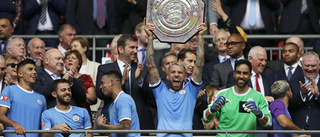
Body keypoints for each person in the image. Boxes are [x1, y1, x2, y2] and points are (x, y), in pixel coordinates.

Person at [144, 20, 206, 136]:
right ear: (167, 75)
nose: (176, 75)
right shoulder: (160, 90)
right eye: (173, 72)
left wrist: (201, 36)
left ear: (184, 76)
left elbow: (199, 64)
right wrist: (150, 37)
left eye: (179, 73)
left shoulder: (191, 91)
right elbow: (151, 65)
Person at [95, 34, 155, 131]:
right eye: (132, 47)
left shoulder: (142, 69)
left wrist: (140, 81)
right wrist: (121, 83)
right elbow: (100, 93)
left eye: (136, 48)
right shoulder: (105, 69)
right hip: (113, 120)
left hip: (140, 121)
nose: (135, 51)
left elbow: (152, 97)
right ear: (121, 49)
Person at [203, 60, 271, 137]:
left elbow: (268, 124)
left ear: (250, 75)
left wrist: (260, 114)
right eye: (238, 72)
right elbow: (206, 118)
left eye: (245, 73)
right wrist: (213, 109)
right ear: (234, 74)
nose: (241, 76)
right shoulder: (222, 94)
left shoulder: (259, 97)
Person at [0, 59, 47, 137]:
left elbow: (42, 127)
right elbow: (0, 115)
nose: (34, 72)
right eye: (30, 69)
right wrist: (14, 124)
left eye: (35, 69)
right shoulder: (9, 90)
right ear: (20, 74)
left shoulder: (41, 98)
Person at [97, 71, 140, 137]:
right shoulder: (112, 105)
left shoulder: (123, 100)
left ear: (111, 82)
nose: (100, 87)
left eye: (102, 83)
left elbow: (125, 128)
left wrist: (103, 126)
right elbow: (116, 133)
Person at [289, 51, 320, 134]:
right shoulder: (293, 82)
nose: (310, 69)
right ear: (302, 66)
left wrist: (317, 95)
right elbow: (288, 106)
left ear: (319, 66)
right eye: (306, 65)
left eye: (313, 66)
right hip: (298, 131)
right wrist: (301, 95)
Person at [64, 50, 97, 123]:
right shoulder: (61, 77)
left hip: (83, 114)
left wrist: (78, 93)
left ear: (79, 64)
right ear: (64, 64)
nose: (70, 59)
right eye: (67, 58)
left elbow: (93, 99)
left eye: (73, 58)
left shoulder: (86, 78)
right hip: (65, 114)